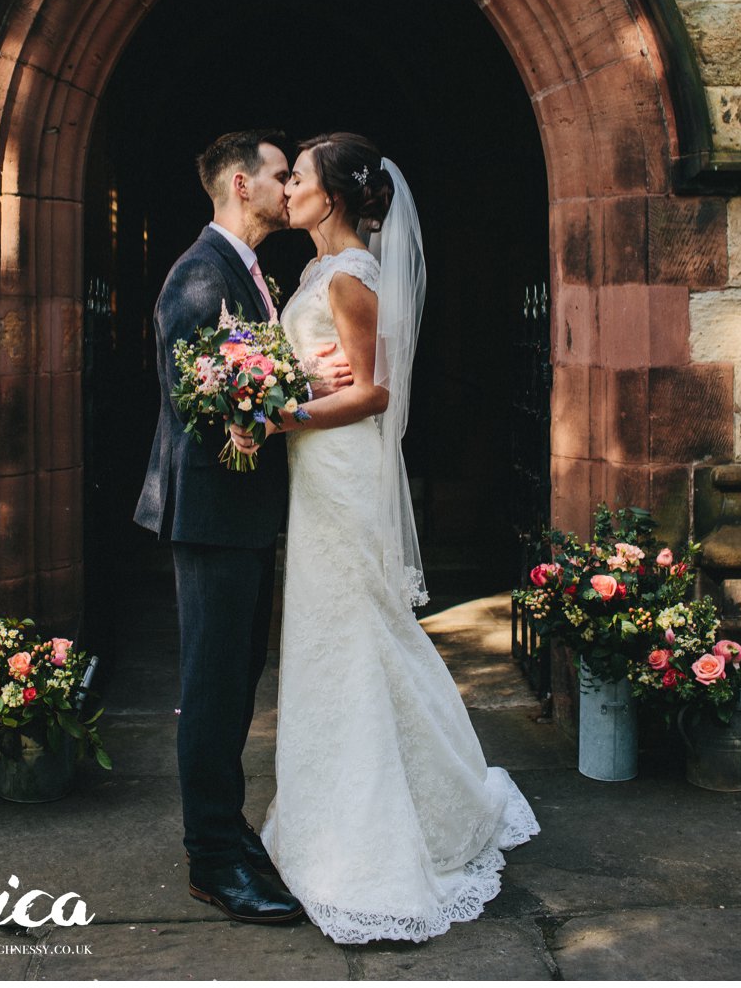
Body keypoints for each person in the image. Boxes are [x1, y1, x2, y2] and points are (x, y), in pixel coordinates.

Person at [240, 131, 538, 944]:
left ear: (330, 197)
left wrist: (279, 414)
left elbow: (373, 395)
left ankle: (377, 836)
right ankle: (327, 808)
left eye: (297, 177)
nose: (287, 187)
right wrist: (294, 387)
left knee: (360, 633)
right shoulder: (315, 272)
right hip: (319, 474)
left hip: (340, 474)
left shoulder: (350, 277)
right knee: (337, 637)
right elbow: (326, 371)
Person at [134, 129, 350, 926]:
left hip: (242, 518)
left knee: (234, 688)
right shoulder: (199, 275)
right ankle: (215, 862)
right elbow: (210, 396)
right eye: (277, 173)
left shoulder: (249, 270)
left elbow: (236, 373)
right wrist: (305, 378)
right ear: (239, 183)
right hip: (215, 518)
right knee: (214, 692)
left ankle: (228, 835)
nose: (288, 184)